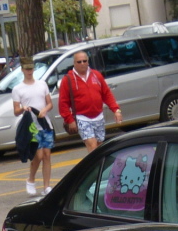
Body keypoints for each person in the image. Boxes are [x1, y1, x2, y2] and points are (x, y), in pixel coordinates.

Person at [57, 52, 122, 152]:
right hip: (82, 118)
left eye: (84, 61)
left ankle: (98, 166)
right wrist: (70, 120)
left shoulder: (96, 75)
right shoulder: (68, 80)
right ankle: (95, 167)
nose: (82, 63)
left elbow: (107, 94)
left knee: (100, 147)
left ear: (88, 62)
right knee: (92, 145)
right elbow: (63, 103)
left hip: (98, 117)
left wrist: (116, 110)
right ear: (74, 63)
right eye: (79, 62)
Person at [10, 57, 54, 196]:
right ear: (22, 70)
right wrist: (23, 108)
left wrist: (45, 110)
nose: (29, 71)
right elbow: (16, 111)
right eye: (27, 69)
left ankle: (46, 186)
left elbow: (49, 103)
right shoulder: (18, 89)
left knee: (47, 155)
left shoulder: (42, 84)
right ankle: (31, 179)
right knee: (38, 155)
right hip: (32, 127)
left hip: (45, 123)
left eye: (31, 68)